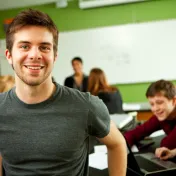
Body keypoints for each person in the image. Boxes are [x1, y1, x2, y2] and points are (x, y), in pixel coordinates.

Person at [0, 9, 127, 176]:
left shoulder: (86, 105)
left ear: (55, 56)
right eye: (24, 46)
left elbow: (117, 144)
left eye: (44, 47)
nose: (35, 55)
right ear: (9, 55)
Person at [124, 79, 176, 150]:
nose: (155, 109)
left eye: (160, 102)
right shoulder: (161, 116)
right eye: (152, 104)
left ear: (173, 101)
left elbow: (168, 145)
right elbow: (134, 134)